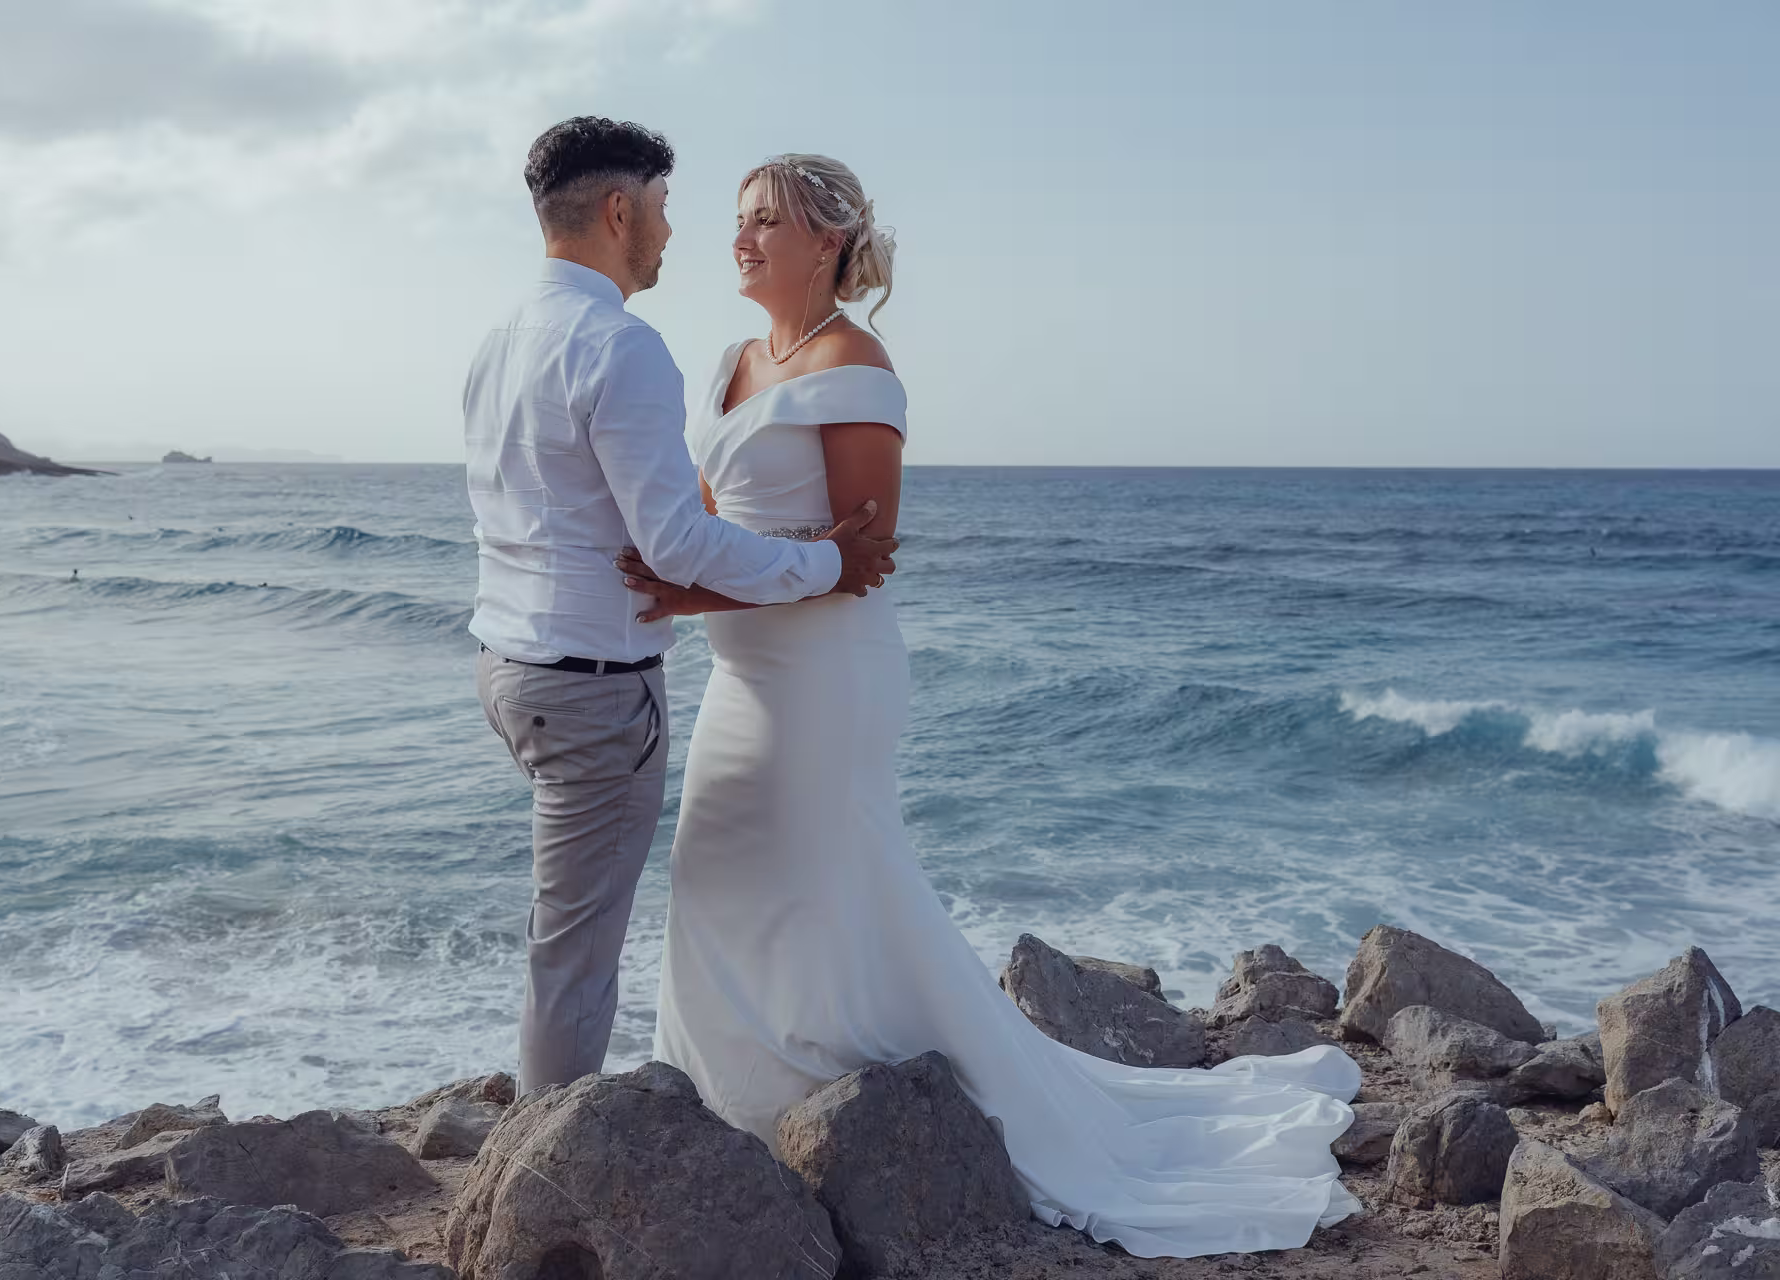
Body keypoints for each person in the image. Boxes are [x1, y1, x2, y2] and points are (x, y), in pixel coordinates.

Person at [617, 153, 1363, 1260]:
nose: (740, 238)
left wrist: (672, 593)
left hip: (827, 676)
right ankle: (751, 1104)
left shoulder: (855, 362)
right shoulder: (726, 363)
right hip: (742, 675)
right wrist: (675, 577)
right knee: (718, 874)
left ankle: (878, 1105)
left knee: (829, 877)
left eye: (764, 220)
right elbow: (725, 522)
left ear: (826, 240)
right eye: (736, 221)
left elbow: (863, 556)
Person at [464, 119, 899, 1095]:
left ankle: (740, 1086)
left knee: (624, 920)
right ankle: (555, 1160)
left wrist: (736, 573)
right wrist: (822, 566)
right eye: (665, 209)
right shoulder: (622, 345)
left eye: (756, 221)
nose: (680, 232)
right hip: (593, 683)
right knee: (574, 951)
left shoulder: (500, 340)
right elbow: (677, 543)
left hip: (511, 663)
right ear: (620, 209)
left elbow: (621, 521)